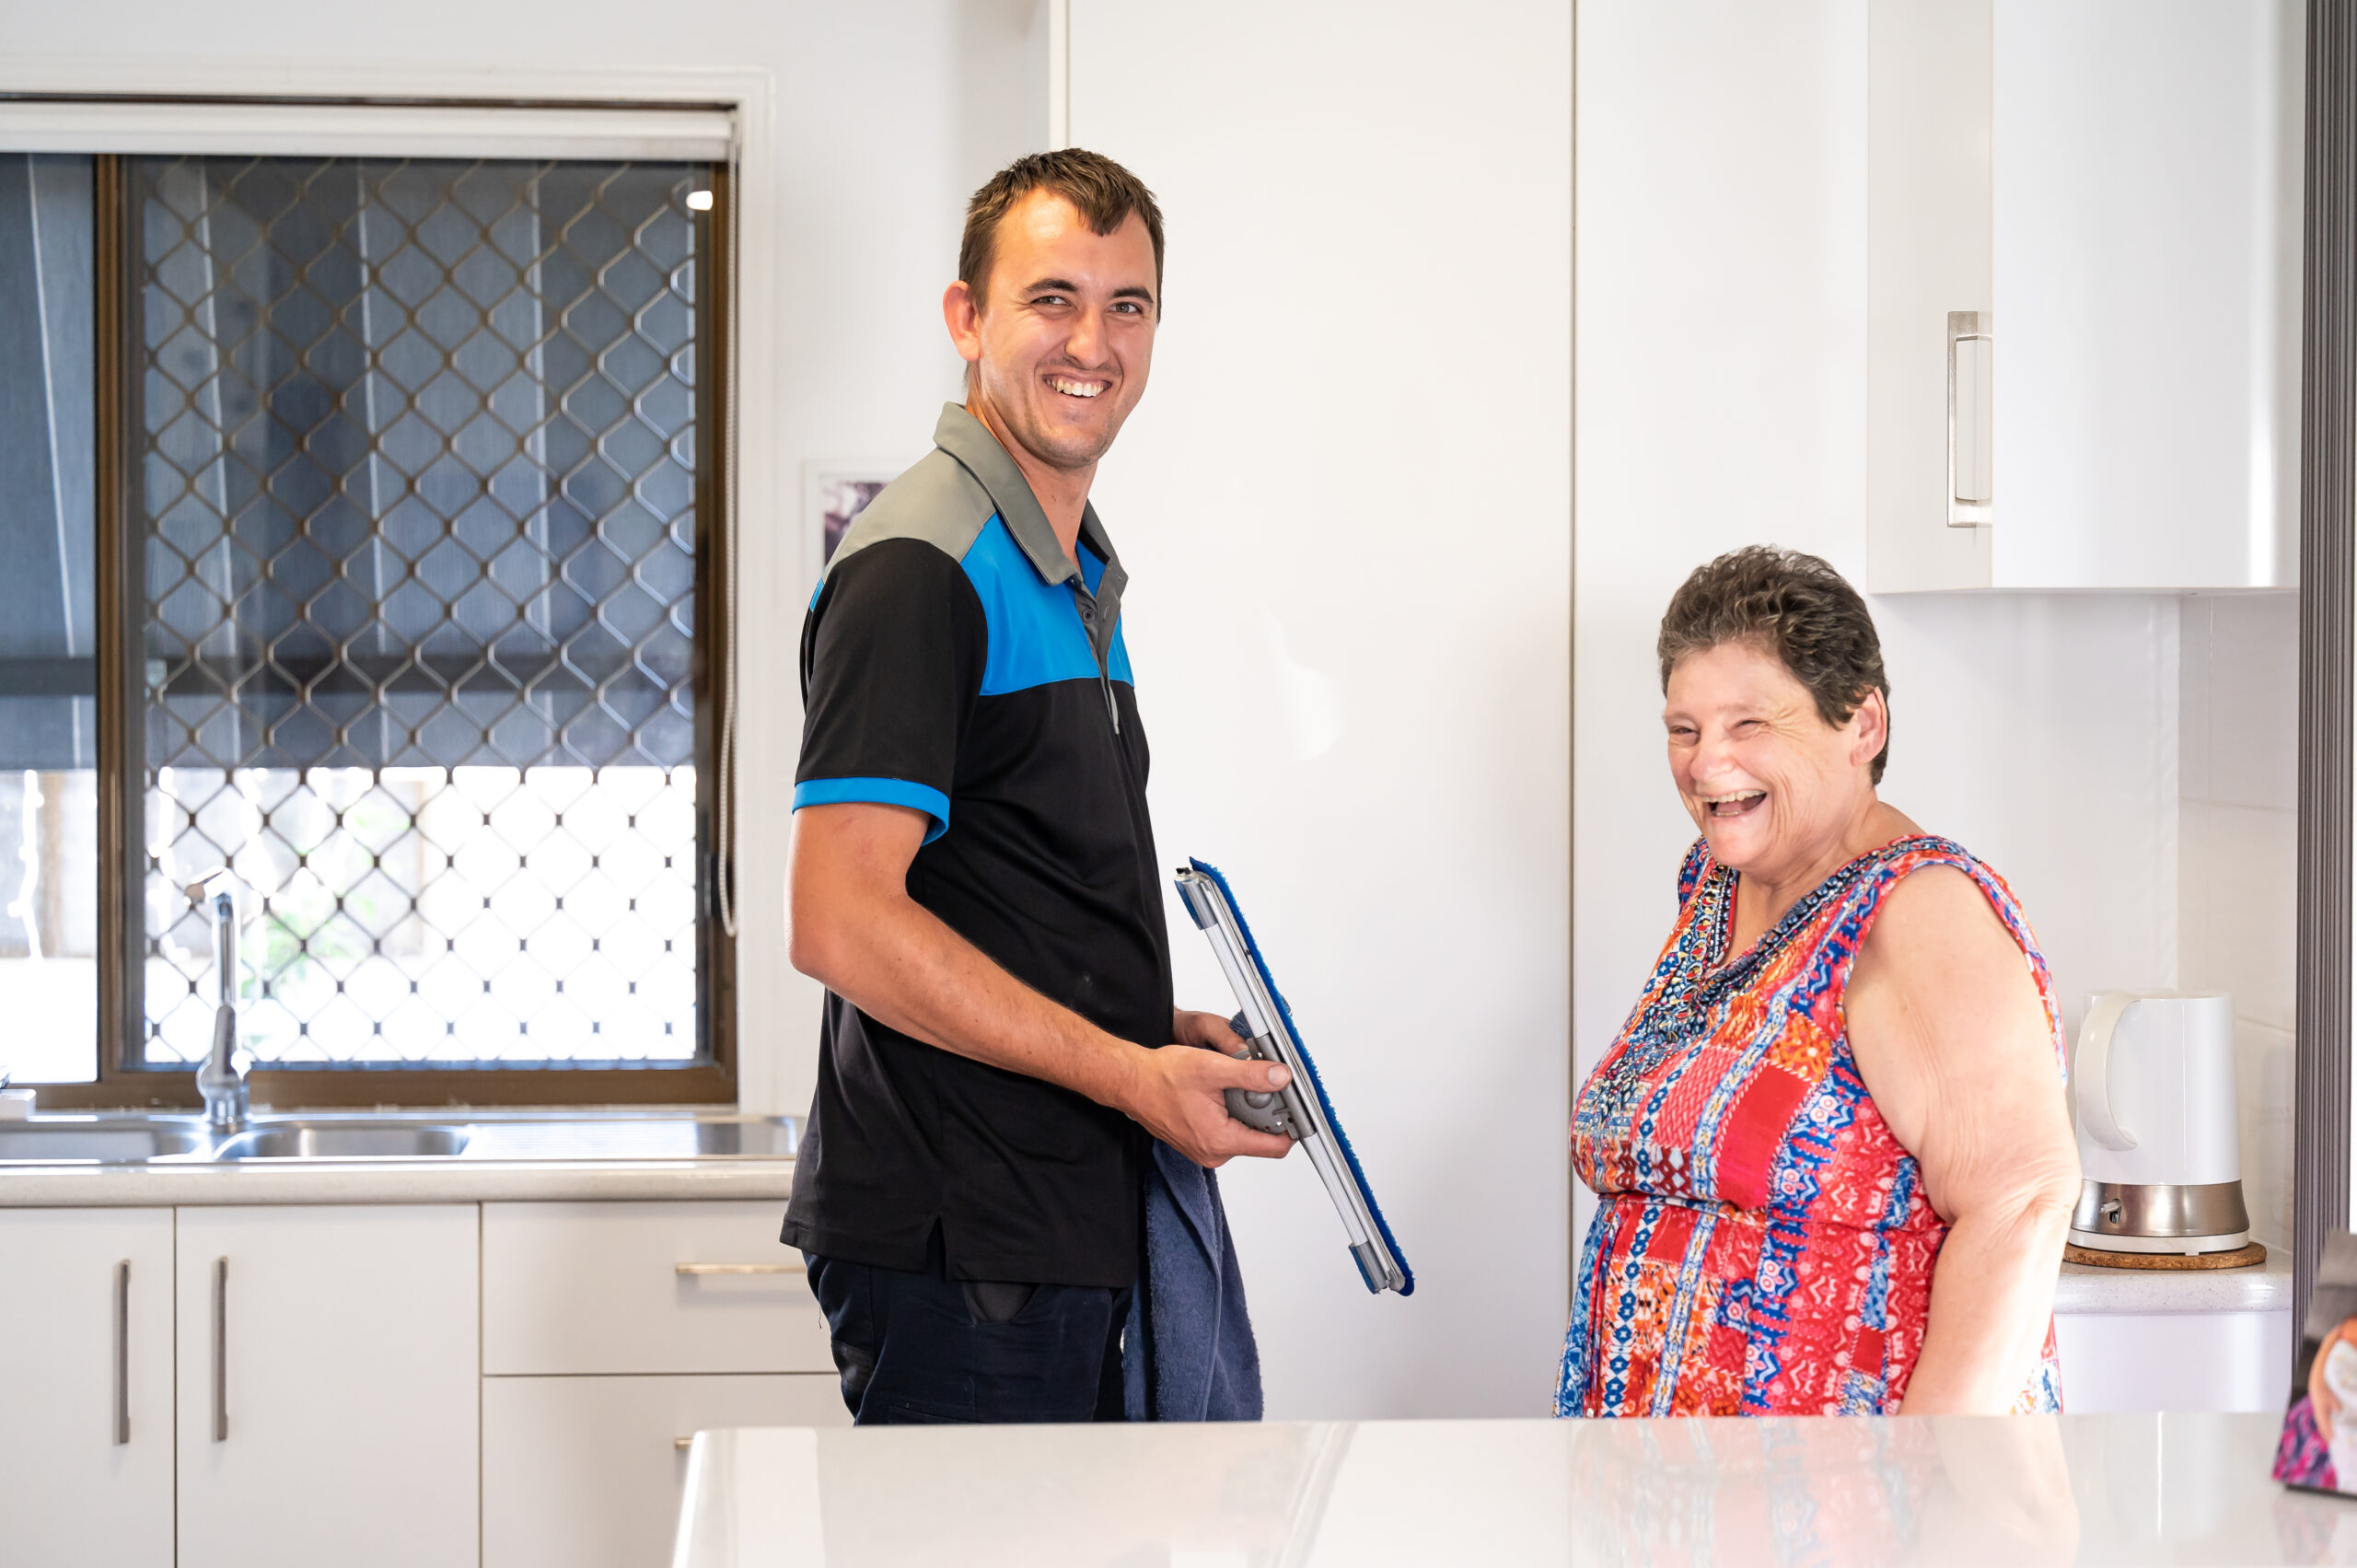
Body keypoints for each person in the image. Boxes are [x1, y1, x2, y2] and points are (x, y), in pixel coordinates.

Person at [780, 149, 1294, 1426]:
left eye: (1128, 306)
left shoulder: (1066, 571)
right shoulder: (922, 566)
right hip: (965, 1242)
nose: (1092, 343)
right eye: (1051, 298)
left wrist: (1147, 1027)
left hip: (1045, 1225)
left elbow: (1002, 893)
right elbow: (840, 918)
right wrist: (1126, 1072)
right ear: (967, 317)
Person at [1557, 545, 2080, 1417]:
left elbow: (2021, 1204)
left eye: (1748, 724)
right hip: (1661, 1472)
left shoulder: (1919, 906)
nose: (1705, 762)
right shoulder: (1716, 884)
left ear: (1862, 725)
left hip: (1855, 1484)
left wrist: (1930, 1473)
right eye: (1684, 729)